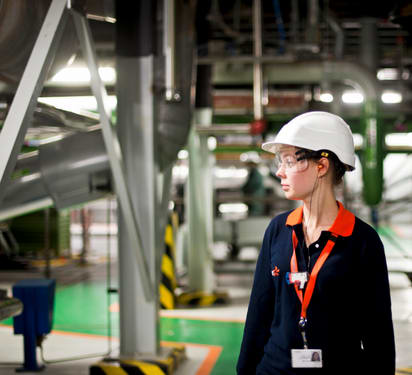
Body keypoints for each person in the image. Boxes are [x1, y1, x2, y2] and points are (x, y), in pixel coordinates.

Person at [236, 111, 395, 374]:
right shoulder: (278, 230)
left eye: (288, 160)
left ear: (321, 166)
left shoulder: (363, 241)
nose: (279, 172)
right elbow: (258, 316)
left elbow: (378, 334)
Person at [241, 152, 266, 216]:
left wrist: (244, 188)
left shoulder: (256, 173)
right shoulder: (254, 173)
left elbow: (252, 185)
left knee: (255, 213)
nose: (248, 166)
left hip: (255, 200)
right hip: (254, 200)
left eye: (249, 164)